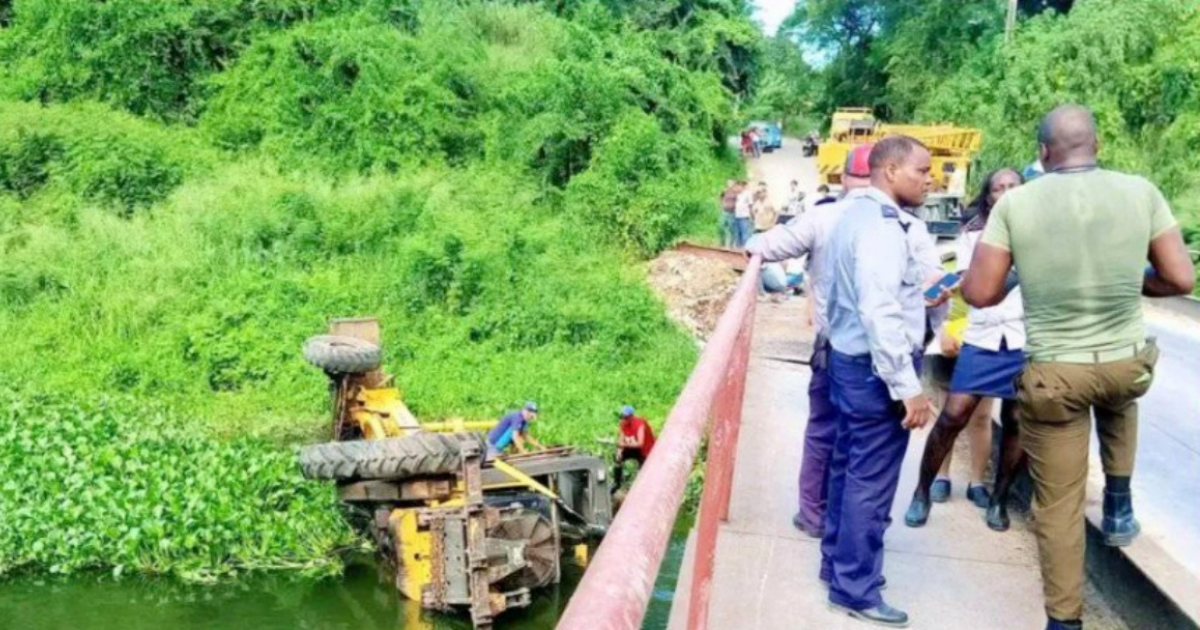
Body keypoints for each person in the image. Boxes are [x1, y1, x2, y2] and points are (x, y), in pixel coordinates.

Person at [961, 104, 1195, 630]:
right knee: (1119, 388)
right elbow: (1180, 279)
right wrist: (1134, 279)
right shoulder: (1141, 191)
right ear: (1098, 144)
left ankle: (1064, 622)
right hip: (1124, 366)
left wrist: (1025, 273)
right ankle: (1118, 498)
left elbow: (978, 292)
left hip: (1055, 378)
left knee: (1059, 506)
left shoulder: (1016, 203)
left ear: (1043, 154)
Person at [818, 135, 936, 627]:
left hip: (847, 361)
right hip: (874, 369)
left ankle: (837, 565)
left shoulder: (850, 216)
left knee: (847, 468)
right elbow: (880, 309)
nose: (931, 180)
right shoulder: (883, 228)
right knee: (870, 481)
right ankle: (855, 588)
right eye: (922, 171)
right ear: (889, 171)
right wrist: (906, 385)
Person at [745, 144, 876, 538]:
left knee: (824, 430)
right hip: (885, 350)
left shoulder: (824, 217)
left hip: (834, 344)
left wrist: (754, 245)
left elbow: (763, 245)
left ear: (843, 179)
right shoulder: (903, 221)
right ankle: (854, 522)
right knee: (869, 440)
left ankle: (814, 514)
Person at [904, 168, 1028, 532]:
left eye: (1012, 187)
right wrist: (944, 330)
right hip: (983, 335)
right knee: (954, 415)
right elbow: (959, 286)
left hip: (1025, 338)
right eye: (997, 188)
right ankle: (922, 491)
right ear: (988, 197)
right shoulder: (974, 236)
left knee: (1018, 422)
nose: (1005, 193)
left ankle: (999, 499)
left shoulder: (1045, 235)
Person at [613, 405, 656, 489]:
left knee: (643, 470)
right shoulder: (623, 424)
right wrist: (619, 451)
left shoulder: (640, 424)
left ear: (632, 416)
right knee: (617, 457)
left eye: (626, 417)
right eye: (623, 417)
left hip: (645, 450)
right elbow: (620, 441)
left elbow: (640, 443)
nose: (624, 419)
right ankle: (617, 483)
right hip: (632, 446)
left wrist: (623, 444)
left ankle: (641, 485)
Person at [732, 180, 754, 248]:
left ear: (741, 186)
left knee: (744, 234)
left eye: (738, 186)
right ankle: (738, 248)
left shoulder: (747, 194)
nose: (737, 188)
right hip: (737, 216)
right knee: (737, 234)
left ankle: (745, 248)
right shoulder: (737, 195)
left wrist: (751, 216)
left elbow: (750, 205)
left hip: (744, 216)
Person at [719, 180, 741, 247]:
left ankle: (731, 245)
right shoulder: (724, 191)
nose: (730, 185)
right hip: (724, 212)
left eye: (731, 184)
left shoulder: (736, 193)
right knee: (721, 226)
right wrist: (721, 205)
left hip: (732, 213)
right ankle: (722, 243)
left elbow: (739, 200)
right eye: (729, 184)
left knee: (732, 229)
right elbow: (720, 197)